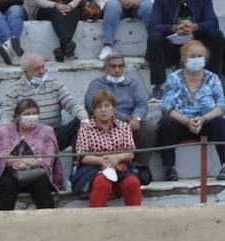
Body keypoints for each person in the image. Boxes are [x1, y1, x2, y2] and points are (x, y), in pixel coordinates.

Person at [158, 40, 225, 180]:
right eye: (192, 56)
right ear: (184, 58)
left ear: (205, 59)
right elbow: (166, 107)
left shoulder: (212, 78)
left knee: (220, 122)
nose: (196, 59)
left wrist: (204, 118)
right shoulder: (173, 78)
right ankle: (170, 168)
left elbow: (221, 106)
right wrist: (187, 121)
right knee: (166, 122)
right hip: (182, 124)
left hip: (206, 123)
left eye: (199, 56)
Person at [0, 52, 88, 149]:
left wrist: (84, 118)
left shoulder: (55, 84)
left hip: (54, 134)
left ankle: (78, 161)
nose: (41, 71)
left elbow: (72, 105)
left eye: (43, 67)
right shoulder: (14, 90)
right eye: (37, 69)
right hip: (27, 136)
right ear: (26, 72)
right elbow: (6, 115)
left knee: (80, 123)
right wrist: (3, 131)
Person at [73, 89, 144, 205]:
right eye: (99, 107)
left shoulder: (124, 127)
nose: (103, 110)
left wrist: (117, 158)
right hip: (95, 168)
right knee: (102, 182)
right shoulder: (85, 129)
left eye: (107, 106)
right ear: (93, 111)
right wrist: (102, 160)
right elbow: (82, 156)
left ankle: (134, 217)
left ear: (113, 109)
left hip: (120, 166)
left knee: (132, 182)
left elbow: (131, 152)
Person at [86, 52, 156, 167]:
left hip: (131, 122)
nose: (117, 70)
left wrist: (137, 118)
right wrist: (126, 119)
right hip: (107, 122)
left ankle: (141, 168)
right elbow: (92, 104)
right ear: (105, 68)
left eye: (120, 66)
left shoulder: (133, 84)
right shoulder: (97, 84)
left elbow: (142, 104)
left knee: (147, 128)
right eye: (113, 66)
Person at [0, 97, 64, 208]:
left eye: (34, 113)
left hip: (36, 172)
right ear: (17, 116)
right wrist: (21, 161)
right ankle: (4, 223)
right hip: (10, 171)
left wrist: (29, 165)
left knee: (42, 187)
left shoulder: (46, 131)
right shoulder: (4, 131)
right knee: (7, 186)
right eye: (27, 114)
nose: (31, 116)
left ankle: (48, 222)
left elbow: (48, 159)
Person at [146, 0, 223, 100]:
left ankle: (211, 84)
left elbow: (213, 22)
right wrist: (173, 28)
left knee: (215, 35)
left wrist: (196, 27)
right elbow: (153, 26)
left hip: (195, 45)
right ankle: (159, 86)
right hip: (171, 46)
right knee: (154, 38)